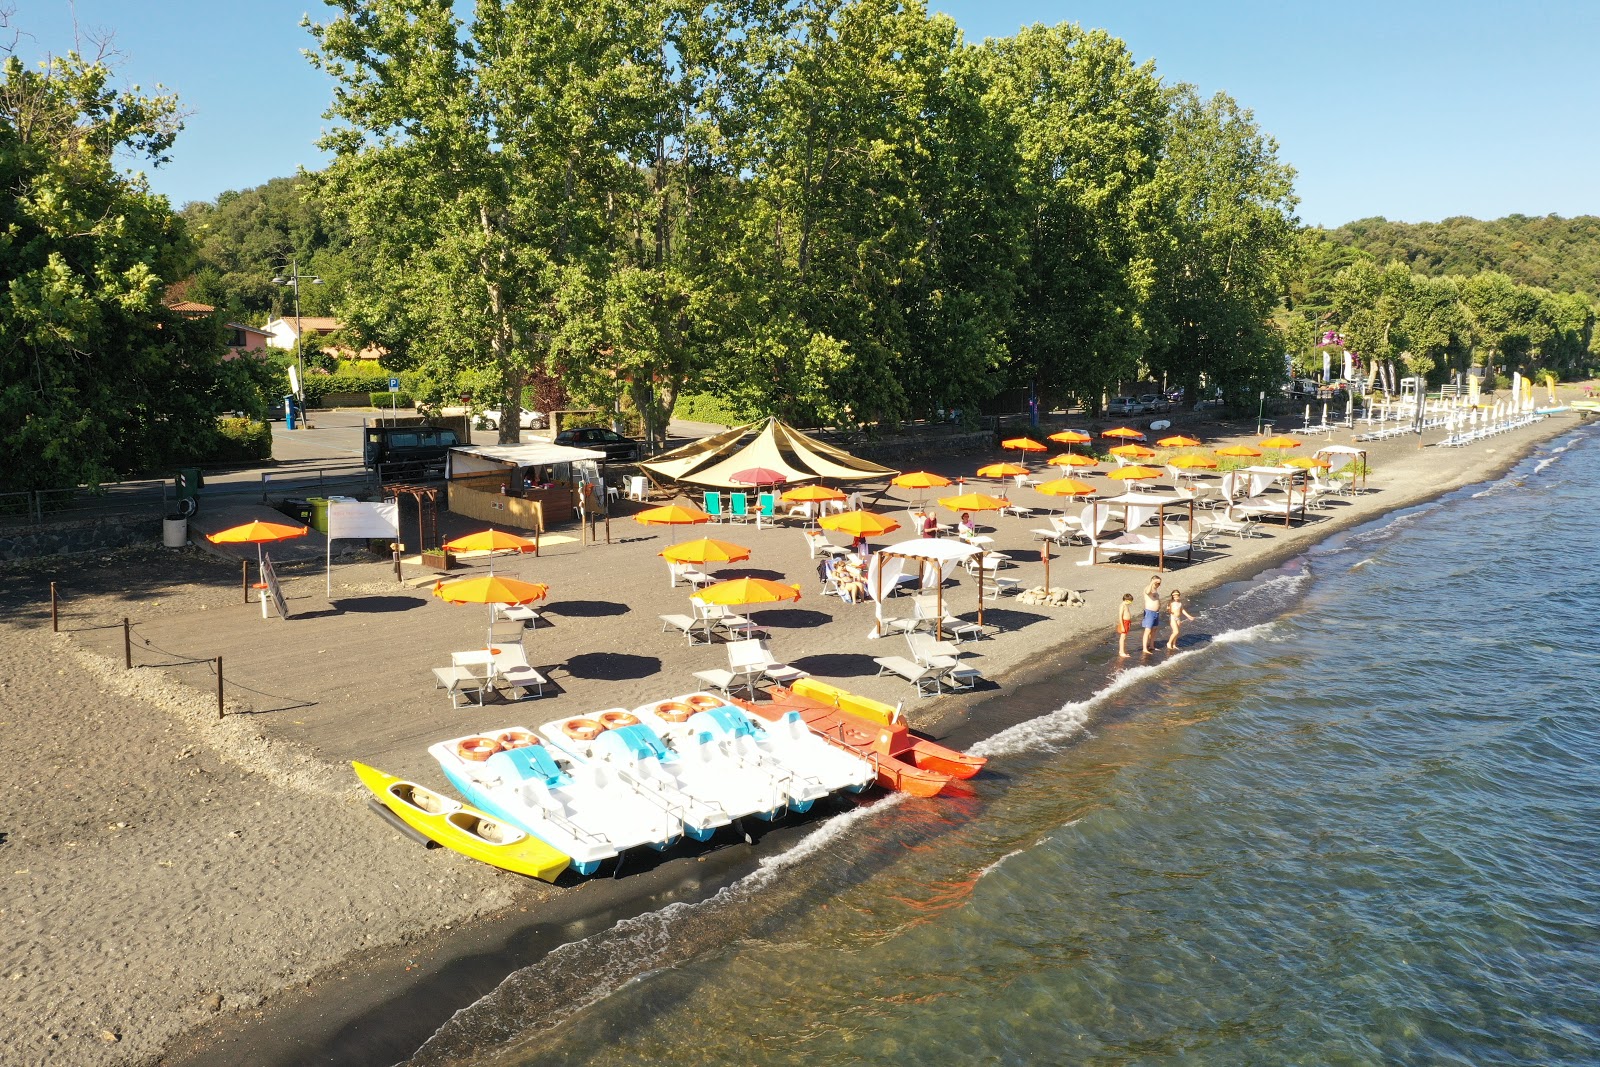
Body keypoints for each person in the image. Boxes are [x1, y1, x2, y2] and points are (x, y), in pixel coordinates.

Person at [1141, 575, 1162, 653]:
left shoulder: (1155, 590)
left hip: (1156, 612)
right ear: (1152, 581)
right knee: (1148, 630)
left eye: (1159, 583)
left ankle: (1152, 645)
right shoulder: (1148, 588)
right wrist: (1152, 582)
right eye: (1157, 583)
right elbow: (1147, 592)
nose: (1158, 585)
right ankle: (1144, 648)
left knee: (1154, 629)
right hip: (1149, 612)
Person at [1116, 593, 1134, 658]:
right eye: (1130, 601)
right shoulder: (1122, 606)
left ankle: (1122, 651)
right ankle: (1121, 652)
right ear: (1126, 600)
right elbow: (1120, 616)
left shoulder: (1126, 605)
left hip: (1127, 622)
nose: (1130, 603)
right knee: (1122, 637)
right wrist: (1122, 626)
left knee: (1124, 637)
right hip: (1124, 622)